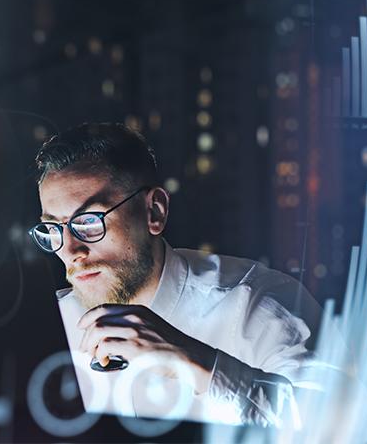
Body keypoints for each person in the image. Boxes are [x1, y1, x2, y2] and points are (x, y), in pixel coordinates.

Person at [30, 122, 323, 426]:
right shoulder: (46, 327)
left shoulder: (255, 304)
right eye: (53, 229)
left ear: (154, 212)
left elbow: (342, 425)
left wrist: (192, 361)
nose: (70, 249)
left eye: (89, 222)